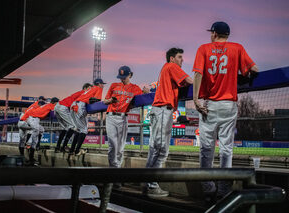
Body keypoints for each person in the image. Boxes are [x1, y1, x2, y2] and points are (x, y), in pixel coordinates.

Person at [192, 21, 258, 201]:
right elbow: (254, 70)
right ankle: (223, 190)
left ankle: (208, 188)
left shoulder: (204, 48)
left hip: (209, 105)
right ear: (227, 34)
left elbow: (197, 74)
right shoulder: (237, 48)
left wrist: (196, 99)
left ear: (214, 33)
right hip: (229, 104)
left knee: (206, 149)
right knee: (226, 149)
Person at [144, 48, 193, 198]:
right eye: (179, 57)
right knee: (160, 149)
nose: (182, 60)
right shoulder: (171, 66)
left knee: (155, 148)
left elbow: (180, 85)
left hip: (161, 110)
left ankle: (148, 183)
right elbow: (190, 80)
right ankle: (151, 185)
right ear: (172, 58)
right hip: (162, 110)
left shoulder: (167, 69)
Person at [104, 66, 149, 169]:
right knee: (112, 146)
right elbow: (105, 101)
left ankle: (117, 171)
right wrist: (110, 100)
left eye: (124, 76)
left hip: (123, 118)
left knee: (120, 148)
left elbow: (144, 96)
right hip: (111, 116)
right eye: (120, 77)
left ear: (130, 75)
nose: (122, 79)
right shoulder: (114, 85)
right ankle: (113, 170)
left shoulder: (135, 88)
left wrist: (147, 92)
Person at [69, 78, 106, 156]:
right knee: (84, 130)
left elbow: (91, 99)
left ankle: (72, 150)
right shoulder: (98, 88)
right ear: (99, 84)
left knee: (79, 130)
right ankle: (77, 151)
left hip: (74, 105)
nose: (103, 85)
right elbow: (97, 100)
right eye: (102, 84)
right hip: (80, 106)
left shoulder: (90, 89)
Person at [54, 83, 92, 153]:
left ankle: (58, 147)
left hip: (58, 107)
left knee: (65, 128)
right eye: (89, 88)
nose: (91, 90)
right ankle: (64, 146)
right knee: (73, 126)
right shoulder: (84, 93)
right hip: (63, 107)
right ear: (85, 88)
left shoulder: (80, 93)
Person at [20, 97, 59, 165]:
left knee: (41, 130)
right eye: (57, 103)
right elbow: (53, 115)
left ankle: (36, 145)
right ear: (55, 103)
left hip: (33, 118)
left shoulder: (47, 105)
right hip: (32, 118)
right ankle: (29, 147)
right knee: (35, 132)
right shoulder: (52, 105)